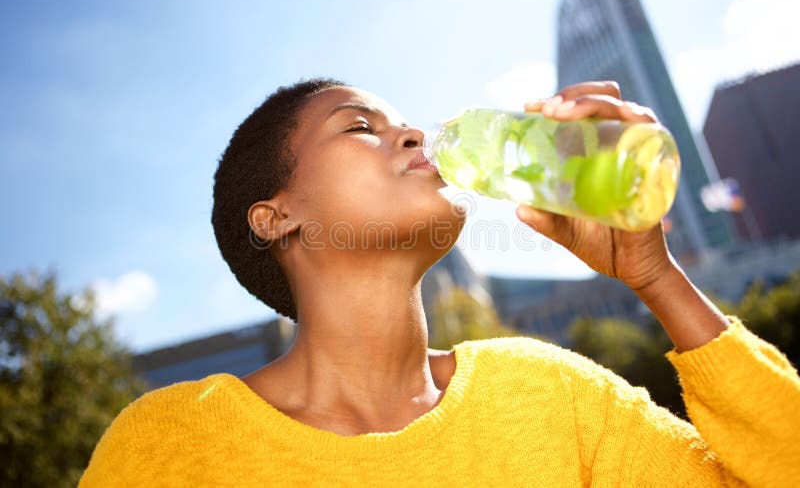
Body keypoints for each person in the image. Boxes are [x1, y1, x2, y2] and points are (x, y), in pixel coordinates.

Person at [79, 79, 800, 487]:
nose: (415, 137)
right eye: (359, 125)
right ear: (275, 217)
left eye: (406, 125)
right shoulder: (173, 445)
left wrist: (657, 279)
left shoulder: (550, 395)